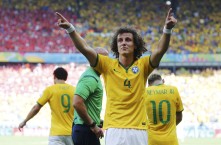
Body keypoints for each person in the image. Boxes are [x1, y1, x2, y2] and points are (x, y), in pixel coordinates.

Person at [56, 8, 177, 145]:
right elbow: (85, 48)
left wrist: (167, 30)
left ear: (135, 45)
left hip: (139, 129)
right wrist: (71, 29)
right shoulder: (106, 64)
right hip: (114, 129)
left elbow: (160, 50)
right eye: (120, 40)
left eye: (128, 40)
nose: (123, 42)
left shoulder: (143, 65)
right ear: (116, 45)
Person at [18, 67, 75, 145]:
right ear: (66, 77)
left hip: (56, 133)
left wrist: (25, 121)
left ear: (54, 77)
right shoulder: (74, 90)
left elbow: (36, 108)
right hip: (72, 133)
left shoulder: (50, 90)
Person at [72, 48, 108, 145]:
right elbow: (77, 103)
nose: (107, 63)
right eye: (105, 59)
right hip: (86, 130)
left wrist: (97, 120)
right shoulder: (90, 78)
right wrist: (92, 125)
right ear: (95, 59)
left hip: (86, 129)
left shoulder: (94, 76)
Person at [145, 73, 184, 145]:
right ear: (163, 81)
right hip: (171, 140)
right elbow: (179, 117)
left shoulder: (145, 92)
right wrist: (169, 127)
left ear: (149, 85)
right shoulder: (173, 90)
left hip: (152, 140)